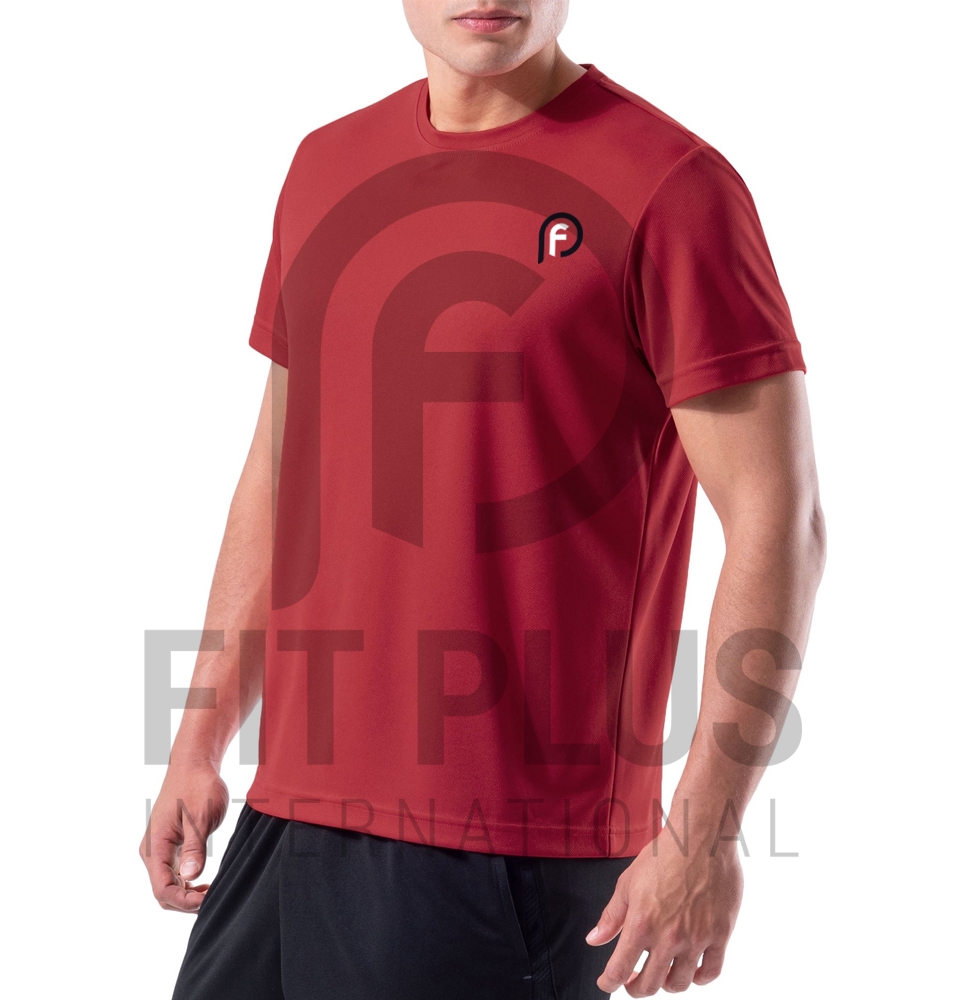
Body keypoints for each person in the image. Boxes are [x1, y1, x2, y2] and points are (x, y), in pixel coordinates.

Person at [139, 2, 826, 997]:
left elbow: (780, 523)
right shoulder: (326, 166)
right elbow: (281, 470)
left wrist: (706, 835)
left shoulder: (672, 187)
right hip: (288, 813)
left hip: (506, 846)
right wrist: (199, 738)